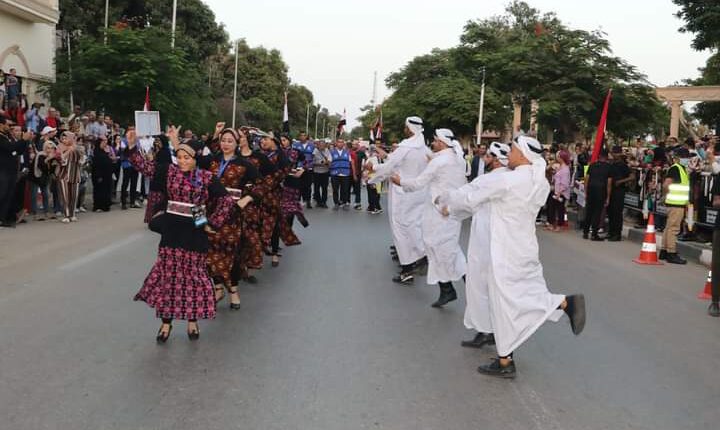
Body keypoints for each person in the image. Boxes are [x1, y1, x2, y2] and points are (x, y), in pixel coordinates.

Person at [441, 135, 586, 378]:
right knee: (511, 299)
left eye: (514, 150)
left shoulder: (508, 180)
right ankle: (505, 359)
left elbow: (470, 197)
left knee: (509, 300)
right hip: (523, 247)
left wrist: (447, 204)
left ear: (523, 155)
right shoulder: (538, 182)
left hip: (504, 250)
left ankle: (563, 303)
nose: (509, 153)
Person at [126, 126, 235, 342]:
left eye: (187, 158)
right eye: (180, 157)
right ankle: (165, 324)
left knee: (193, 279)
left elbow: (226, 200)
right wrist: (131, 146)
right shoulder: (169, 171)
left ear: (196, 159)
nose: (183, 161)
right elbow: (145, 167)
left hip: (196, 228)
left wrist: (212, 223)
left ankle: (192, 322)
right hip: (172, 229)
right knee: (170, 278)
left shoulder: (206, 177)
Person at [391, 129, 467, 306]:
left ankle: (461, 287)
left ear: (441, 142)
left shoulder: (439, 162)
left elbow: (418, 183)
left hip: (439, 212)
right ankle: (448, 289)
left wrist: (400, 182)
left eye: (434, 141)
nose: (432, 143)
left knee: (440, 249)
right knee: (444, 249)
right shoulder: (457, 159)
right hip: (451, 211)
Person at [458, 141, 509, 349]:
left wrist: (446, 204)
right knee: (489, 287)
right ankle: (490, 330)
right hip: (498, 239)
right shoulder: (509, 178)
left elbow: (466, 197)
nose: (484, 158)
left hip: (485, 240)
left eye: (488, 156)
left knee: (478, 285)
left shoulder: (490, 180)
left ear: (496, 160)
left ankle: (486, 331)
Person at [368, 116, 430, 284]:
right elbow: (395, 161)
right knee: (414, 226)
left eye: (405, 126)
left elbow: (390, 168)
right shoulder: (424, 149)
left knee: (400, 229)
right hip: (419, 193)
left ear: (409, 129)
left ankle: (408, 267)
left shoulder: (405, 147)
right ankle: (420, 257)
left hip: (402, 193)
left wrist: (372, 176)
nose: (404, 129)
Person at [206, 126, 258, 309]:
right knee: (209, 251)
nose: (226, 144)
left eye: (230, 141)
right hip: (211, 209)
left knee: (231, 252)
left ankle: (233, 291)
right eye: (223, 140)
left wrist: (247, 198)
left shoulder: (245, 164)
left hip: (232, 213)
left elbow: (261, 184)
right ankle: (218, 288)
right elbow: (189, 162)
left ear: (237, 143)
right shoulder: (212, 160)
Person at [236, 129, 275, 284]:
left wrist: (257, 190)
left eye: (241, 137)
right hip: (232, 201)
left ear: (248, 139)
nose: (239, 140)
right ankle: (237, 269)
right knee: (235, 237)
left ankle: (249, 268)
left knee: (251, 237)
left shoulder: (259, 157)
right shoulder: (232, 157)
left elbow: (272, 175)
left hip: (252, 202)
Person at [659, 148, 690, 265]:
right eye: (685, 157)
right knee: (674, 229)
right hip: (676, 203)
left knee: (668, 227)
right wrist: (665, 196)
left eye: (687, 157)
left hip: (675, 203)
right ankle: (671, 253)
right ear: (677, 158)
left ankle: (664, 251)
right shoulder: (676, 168)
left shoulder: (680, 169)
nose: (687, 159)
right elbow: (666, 185)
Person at [0, 114, 31, 227]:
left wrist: (25, 141)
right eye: (8, 125)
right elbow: (10, 148)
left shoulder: (7, 136)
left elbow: (18, 150)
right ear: (1, 125)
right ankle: (2, 218)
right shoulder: (1, 137)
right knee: (3, 194)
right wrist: (23, 140)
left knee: (9, 195)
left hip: (12, 171)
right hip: (3, 170)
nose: (10, 127)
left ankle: (6, 218)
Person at [582, 150, 612, 240]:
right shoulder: (608, 167)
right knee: (597, 212)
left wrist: (586, 192)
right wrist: (608, 197)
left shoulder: (592, 165)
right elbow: (609, 183)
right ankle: (594, 234)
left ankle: (585, 232)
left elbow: (586, 179)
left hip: (591, 190)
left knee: (589, 211)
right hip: (601, 190)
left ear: (599, 156)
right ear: (606, 157)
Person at [607, 145, 633, 241]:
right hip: (611, 190)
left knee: (617, 213)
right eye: (613, 153)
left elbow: (632, 177)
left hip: (619, 191)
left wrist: (620, 181)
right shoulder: (612, 164)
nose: (614, 155)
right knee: (610, 212)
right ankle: (611, 232)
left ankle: (617, 234)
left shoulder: (623, 165)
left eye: (616, 153)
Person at [56, 131, 83, 223]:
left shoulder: (77, 148)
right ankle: (66, 215)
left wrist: (75, 149)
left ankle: (72, 214)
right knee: (65, 196)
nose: (64, 140)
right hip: (64, 175)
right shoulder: (60, 148)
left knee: (74, 196)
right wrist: (68, 151)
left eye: (66, 138)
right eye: (63, 138)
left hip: (75, 175)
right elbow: (61, 160)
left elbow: (82, 160)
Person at [546, 150, 571, 232]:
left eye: (558, 156)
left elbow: (565, 183)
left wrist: (559, 193)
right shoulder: (560, 167)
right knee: (552, 207)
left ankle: (559, 225)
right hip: (555, 190)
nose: (556, 158)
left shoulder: (565, 169)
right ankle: (552, 223)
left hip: (561, 192)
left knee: (560, 209)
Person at [91, 137, 115, 212]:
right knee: (99, 190)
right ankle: (98, 206)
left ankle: (105, 205)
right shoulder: (96, 152)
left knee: (106, 190)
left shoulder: (104, 151)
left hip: (107, 175)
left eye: (105, 142)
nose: (105, 143)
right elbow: (96, 165)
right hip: (99, 175)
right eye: (103, 142)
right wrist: (98, 176)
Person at [119, 129, 141, 210]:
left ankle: (132, 202)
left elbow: (138, 149)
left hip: (135, 165)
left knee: (134, 183)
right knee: (125, 183)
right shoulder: (123, 140)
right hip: (126, 164)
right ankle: (123, 202)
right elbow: (124, 150)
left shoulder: (137, 140)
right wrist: (130, 142)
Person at [292, 131, 315, 208]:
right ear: (299, 137)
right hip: (299, 167)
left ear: (306, 137)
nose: (302, 137)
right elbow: (293, 156)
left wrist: (310, 164)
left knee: (308, 186)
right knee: (298, 185)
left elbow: (313, 157)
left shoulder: (312, 145)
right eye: (301, 135)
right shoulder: (295, 145)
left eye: (304, 135)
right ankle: (298, 201)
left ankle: (308, 201)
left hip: (308, 168)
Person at [329, 138, 352, 210]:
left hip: (345, 174)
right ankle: (336, 203)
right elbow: (329, 162)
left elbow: (350, 162)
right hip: (335, 174)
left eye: (342, 142)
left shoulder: (347, 152)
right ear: (336, 143)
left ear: (343, 144)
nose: (340, 143)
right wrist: (332, 170)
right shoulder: (332, 152)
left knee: (345, 189)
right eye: (339, 142)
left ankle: (344, 203)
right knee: (335, 189)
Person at [312, 139, 331, 208]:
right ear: (318, 145)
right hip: (316, 172)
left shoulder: (327, 151)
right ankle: (318, 202)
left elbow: (329, 160)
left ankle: (324, 202)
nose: (322, 146)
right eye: (320, 145)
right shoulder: (315, 151)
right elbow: (312, 162)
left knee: (324, 188)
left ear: (325, 145)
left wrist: (325, 162)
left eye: (323, 145)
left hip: (325, 172)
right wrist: (320, 163)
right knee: (316, 188)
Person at [364, 146, 382, 214]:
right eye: (369, 150)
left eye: (370, 150)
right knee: (372, 193)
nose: (369, 151)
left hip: (373, 178)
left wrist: (367, 175)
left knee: (373, 193)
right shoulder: (372, 157)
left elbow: (374, 169)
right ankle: (372, 207)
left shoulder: (374, 158)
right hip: (371, 177)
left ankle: (376, 208)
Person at [350, 140, 366, 210]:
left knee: (357, 189)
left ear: (358, 145)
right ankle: (346, 202)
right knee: (347, 189)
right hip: (348, 173)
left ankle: (357, 203)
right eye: (353, 144)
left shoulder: (361, 153)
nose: (354, 146)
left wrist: (363, 171)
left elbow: (366, 161)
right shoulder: (349, 152)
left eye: (355, 144)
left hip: (358, 173)